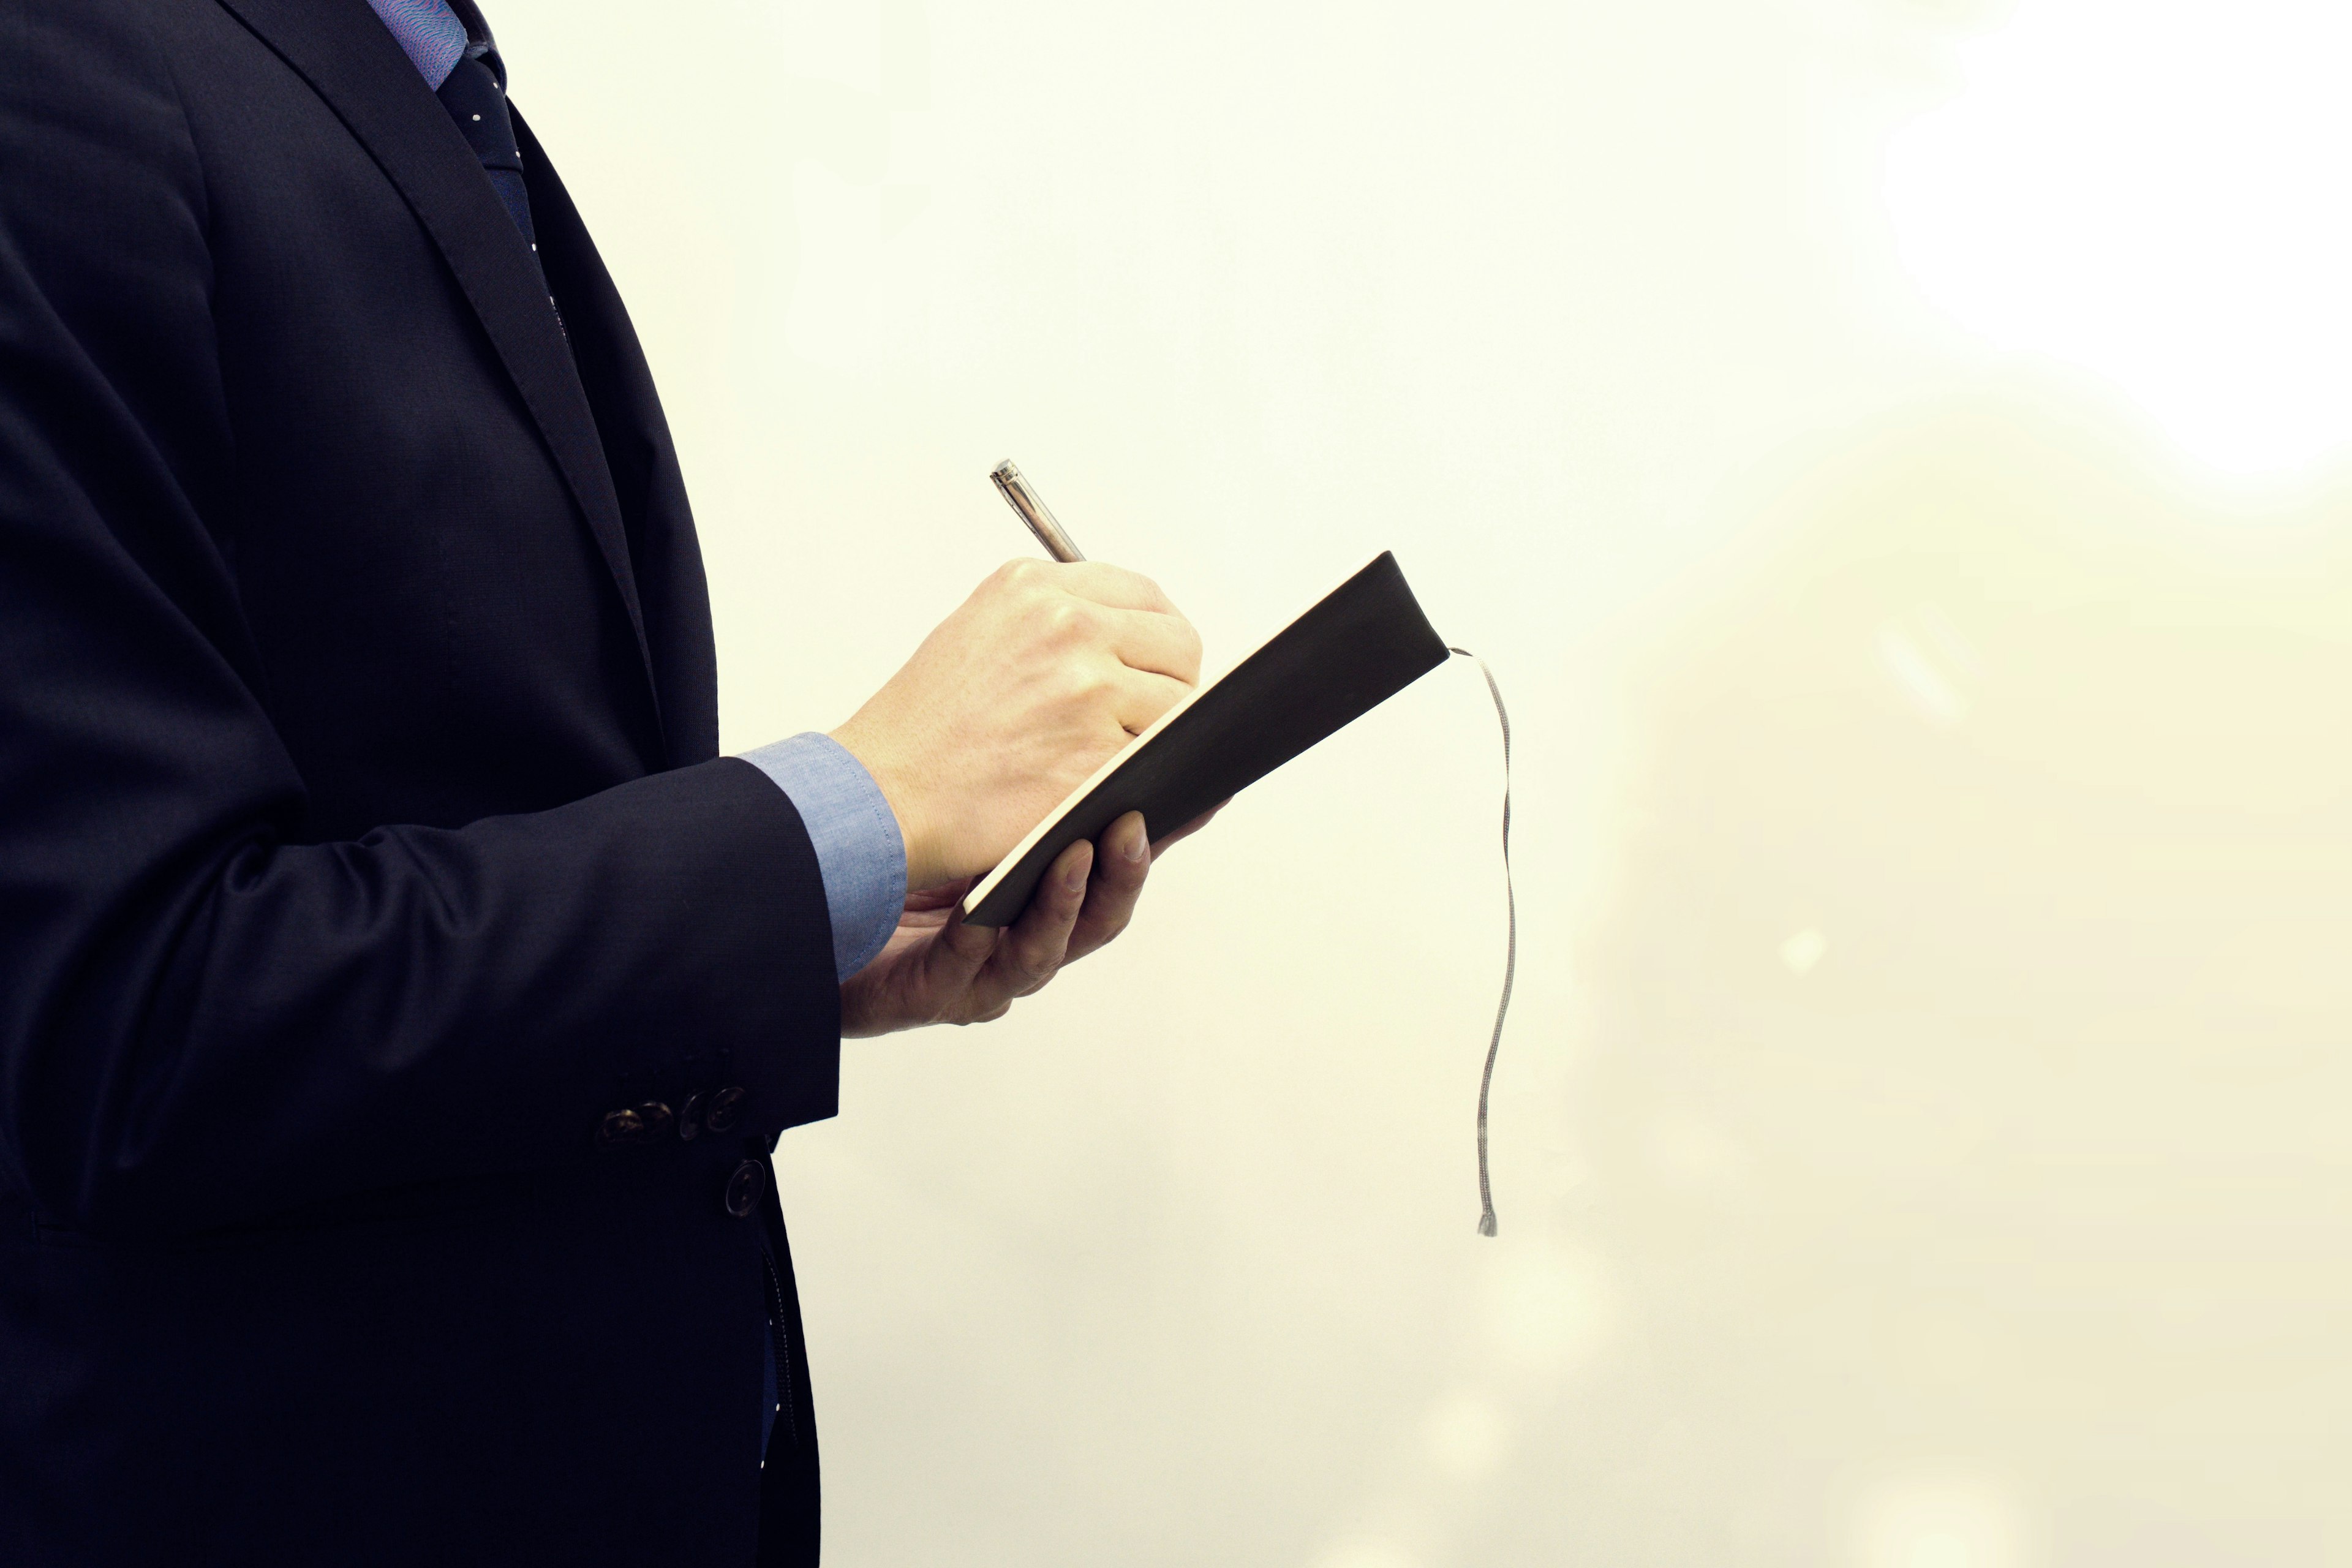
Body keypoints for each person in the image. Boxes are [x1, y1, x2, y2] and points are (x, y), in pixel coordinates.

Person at [0, 1, 1206, 1561]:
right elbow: (129, 1016)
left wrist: (808, 932)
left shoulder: (414, 74)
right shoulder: (61, 66)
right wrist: (842, 810)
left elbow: (420, 809)